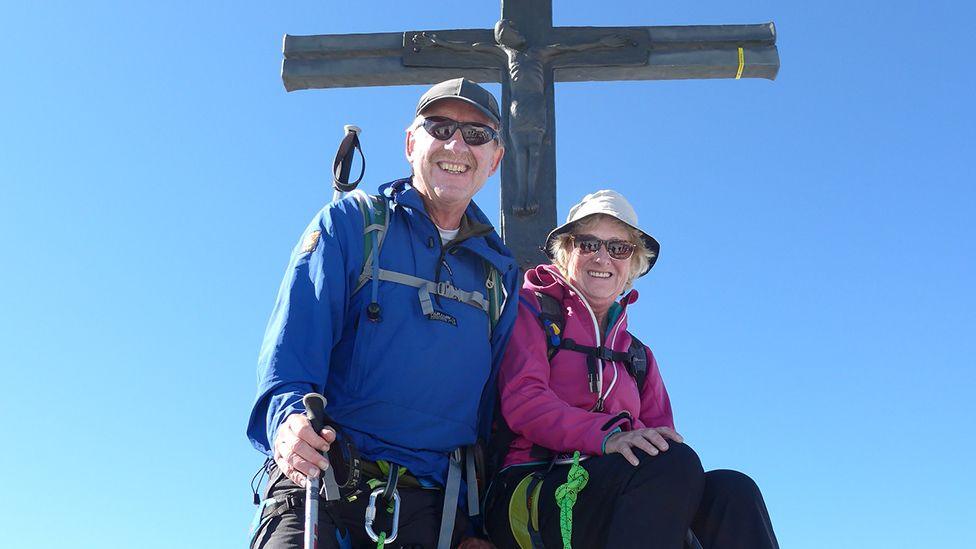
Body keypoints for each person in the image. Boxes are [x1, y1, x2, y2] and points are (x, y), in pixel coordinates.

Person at [247, 78, 520, 549]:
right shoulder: (352, 225)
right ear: (412, 143)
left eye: (477, 134)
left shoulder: (501, 275)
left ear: (494, 160)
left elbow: (493, 414)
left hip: (435, 507)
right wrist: (289, 421)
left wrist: (478, 528)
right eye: (441, 127)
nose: (457, 143)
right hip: (321, 484)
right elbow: (291, 355)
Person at [484, 190, 779, 549]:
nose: (602, 257)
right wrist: (608, 436)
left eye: (618, 248)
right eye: (588, 244)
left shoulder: (637, 356)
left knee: (734, 490)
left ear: (633, 264)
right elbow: (525, 403)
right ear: (566, 253)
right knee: (673, 465)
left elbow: (661, 438)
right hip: (534, 488)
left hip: (617, 491)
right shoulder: (531, 311)